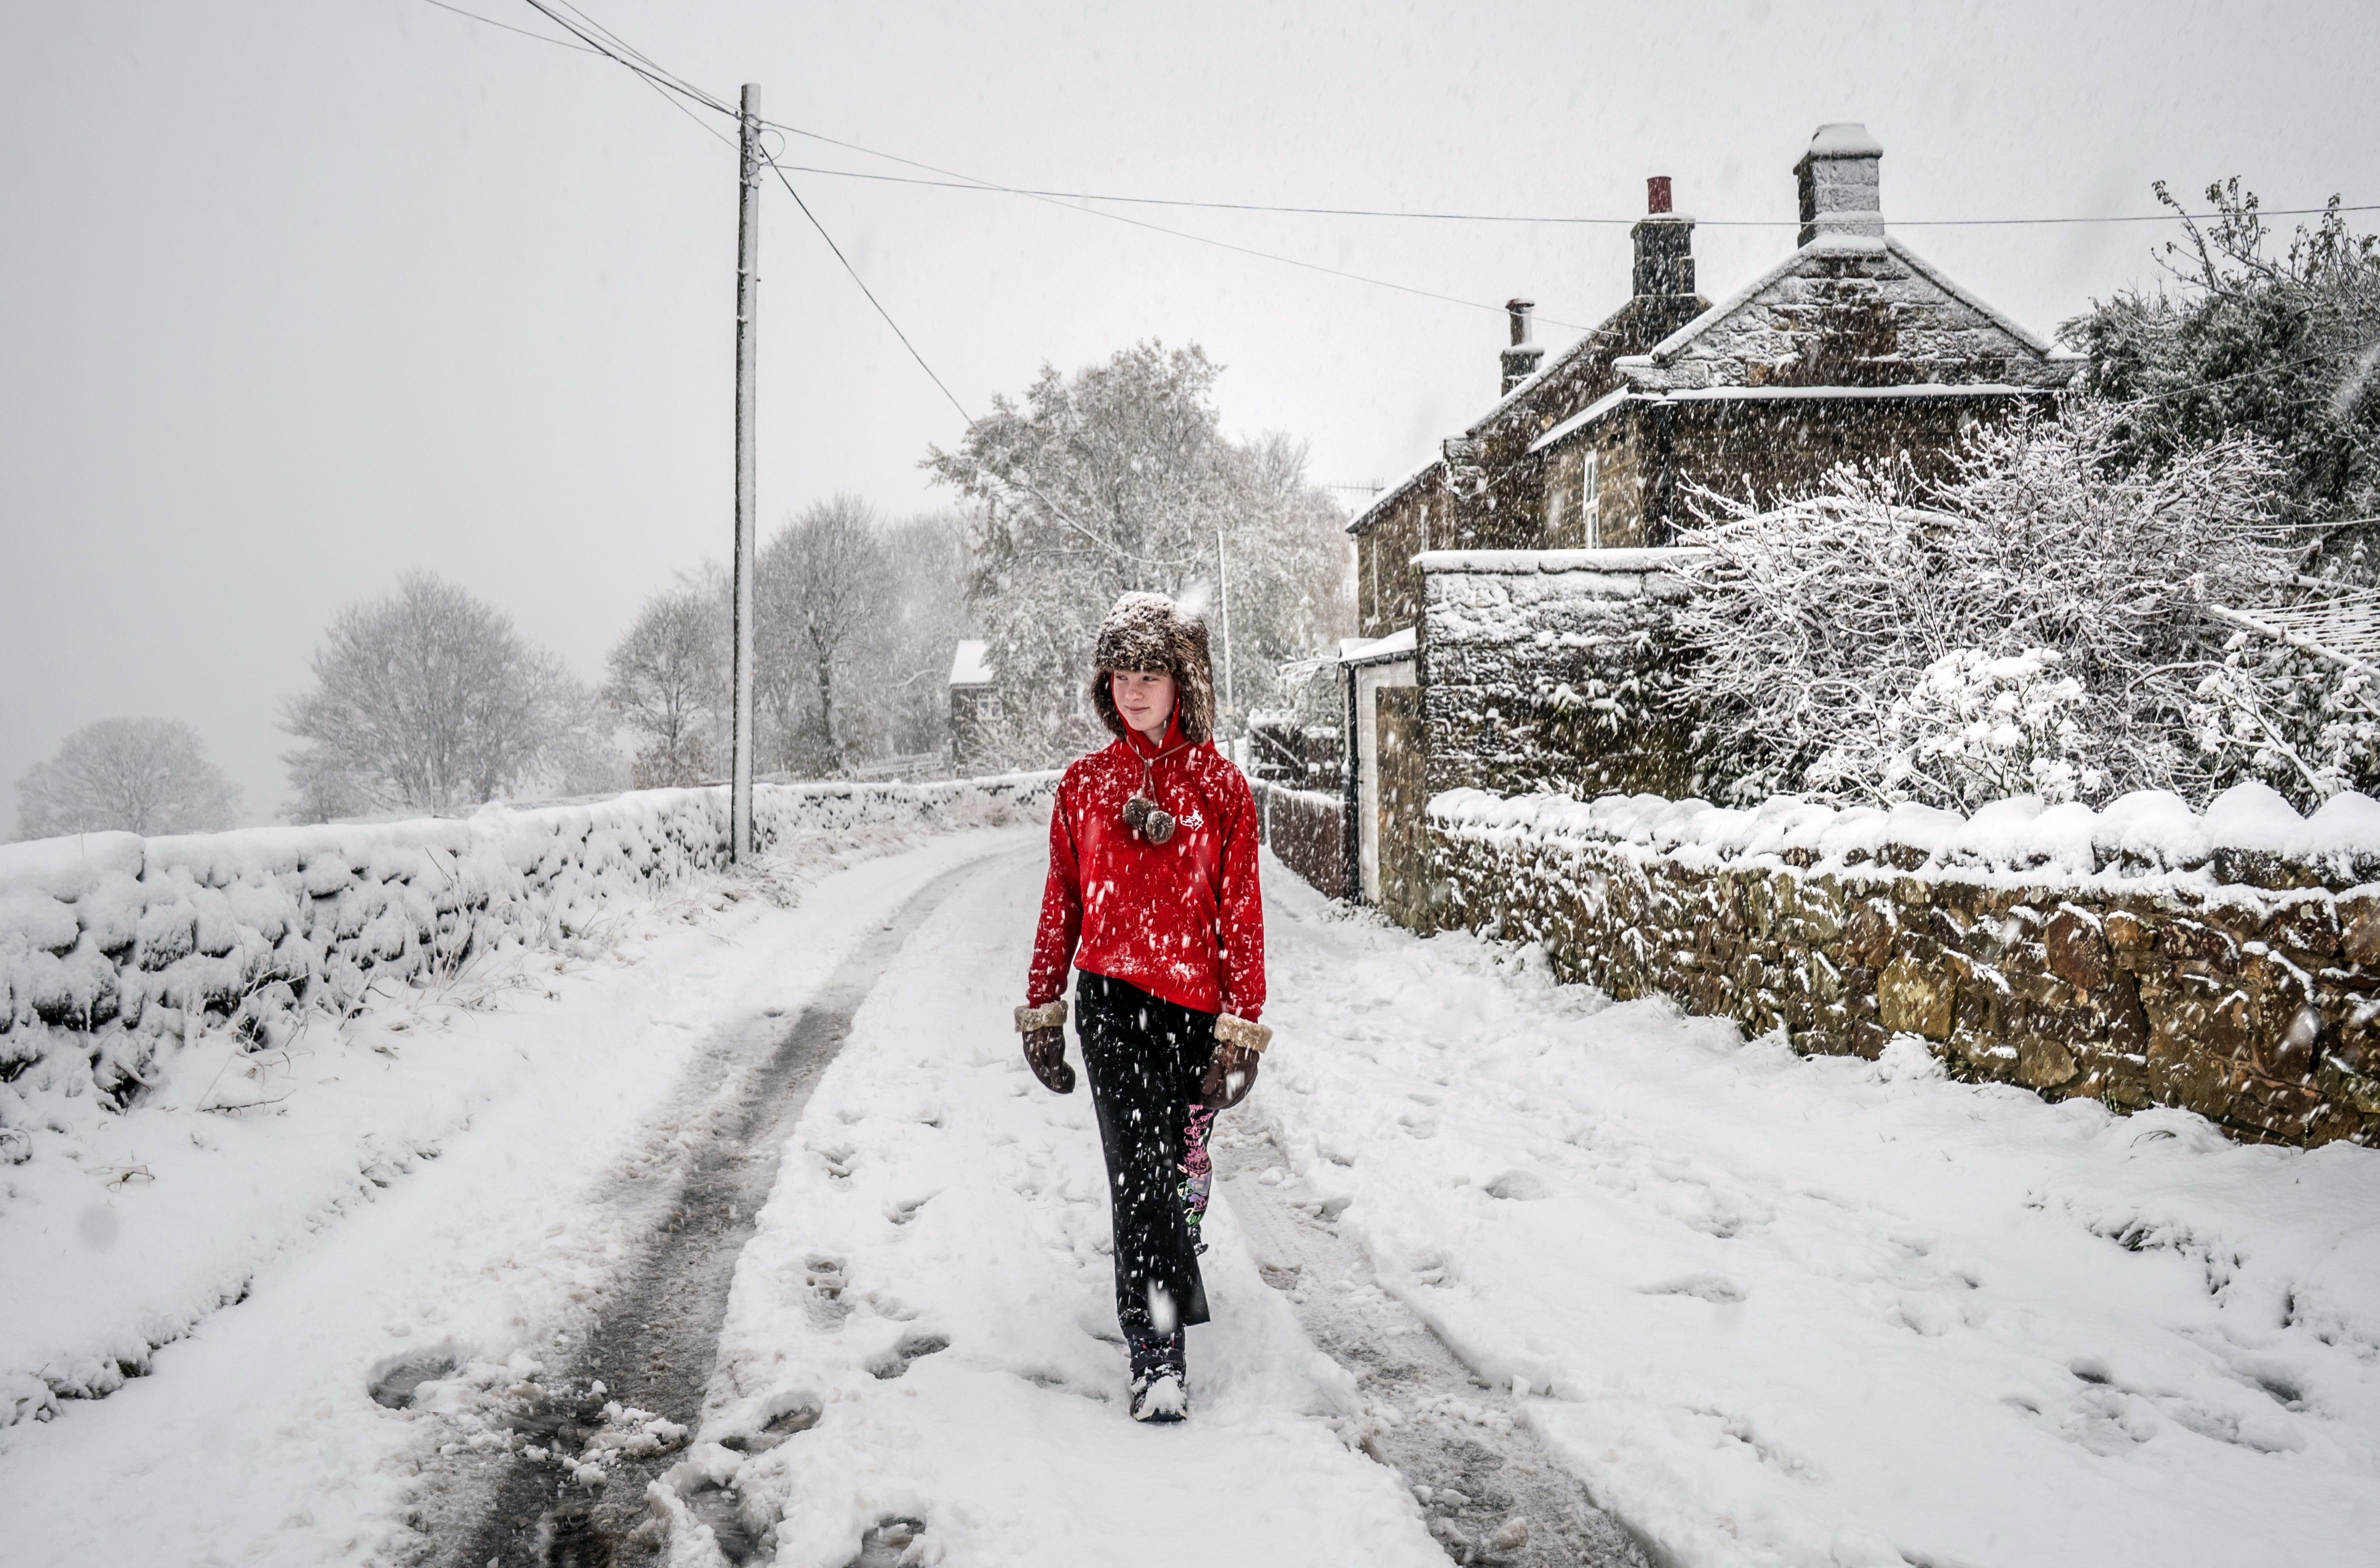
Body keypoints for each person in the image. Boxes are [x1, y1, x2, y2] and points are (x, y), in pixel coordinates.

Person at [1014, 592, 1270, 1424]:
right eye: (1121, 673)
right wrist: (1045, 1006)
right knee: (1140, 1175)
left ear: (1181, 682)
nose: (1133, 689)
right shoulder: (1085, 787)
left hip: (1195, 1010)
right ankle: (1158, 1351)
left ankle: (1185, 1204)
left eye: (1150, 674)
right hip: (1113, 1008)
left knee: (1178, 1170)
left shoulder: (1223, 791)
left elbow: (1241, 914)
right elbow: (1062, 901)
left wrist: (1241, 1030)